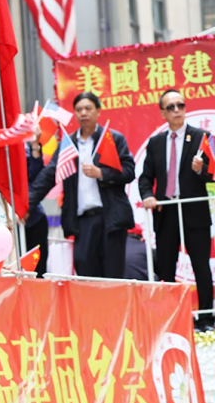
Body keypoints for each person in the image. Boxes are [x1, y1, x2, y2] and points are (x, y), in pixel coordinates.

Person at [28, 92, 135, 278]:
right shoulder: (68, 144)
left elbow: (129, 171)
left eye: (88, 108)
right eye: (78, 110)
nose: (83, 113)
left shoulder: (112, 138)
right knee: (86, 274)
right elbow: (48, 176)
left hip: (110, 218)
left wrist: (101, 173)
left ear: (98, 111)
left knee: (113, 276)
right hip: (82, 222)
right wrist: (27, 205)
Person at [138, 88, 213, 329]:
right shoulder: (156, 142)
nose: (177, 110)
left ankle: (206, 318)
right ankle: (170, 318)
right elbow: (145, 177)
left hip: (194, 210)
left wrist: (201, 169)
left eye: (180, 105)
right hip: (167, 210)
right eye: (171, 107)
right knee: (166, 266)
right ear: (163, 113)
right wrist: (148, 195)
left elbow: (212, 175)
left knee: (201, 265)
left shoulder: (201, 137)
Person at [24, 128, 50, 274]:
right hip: (4, 217)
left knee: (37, 270)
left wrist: (35, 146)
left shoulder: (26, 149)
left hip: (34, 217)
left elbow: (38, 179)